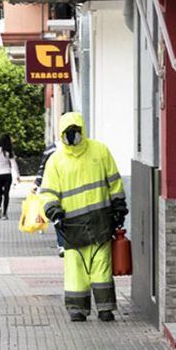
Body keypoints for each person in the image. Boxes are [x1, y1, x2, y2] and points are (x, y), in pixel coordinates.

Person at [39, 112, 127, 323]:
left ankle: (105, 308)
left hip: (97, 221)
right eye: (68, 132)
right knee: (76, 267)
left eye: (75, 131)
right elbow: (48, 192)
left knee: (101, 265)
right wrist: (54, 211)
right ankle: (77, 309)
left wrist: (119, 205)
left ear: (82, 130)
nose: (72, 136)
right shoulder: (56, 161)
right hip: (74, 223)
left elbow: (114, 181)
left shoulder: (99, 151)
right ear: (61, 134)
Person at [0, 134, 20, 220]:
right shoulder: (9, 151)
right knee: (6, 194)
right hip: (7, 174)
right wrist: (17, 175)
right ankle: (5, 214)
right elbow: (13, 164)